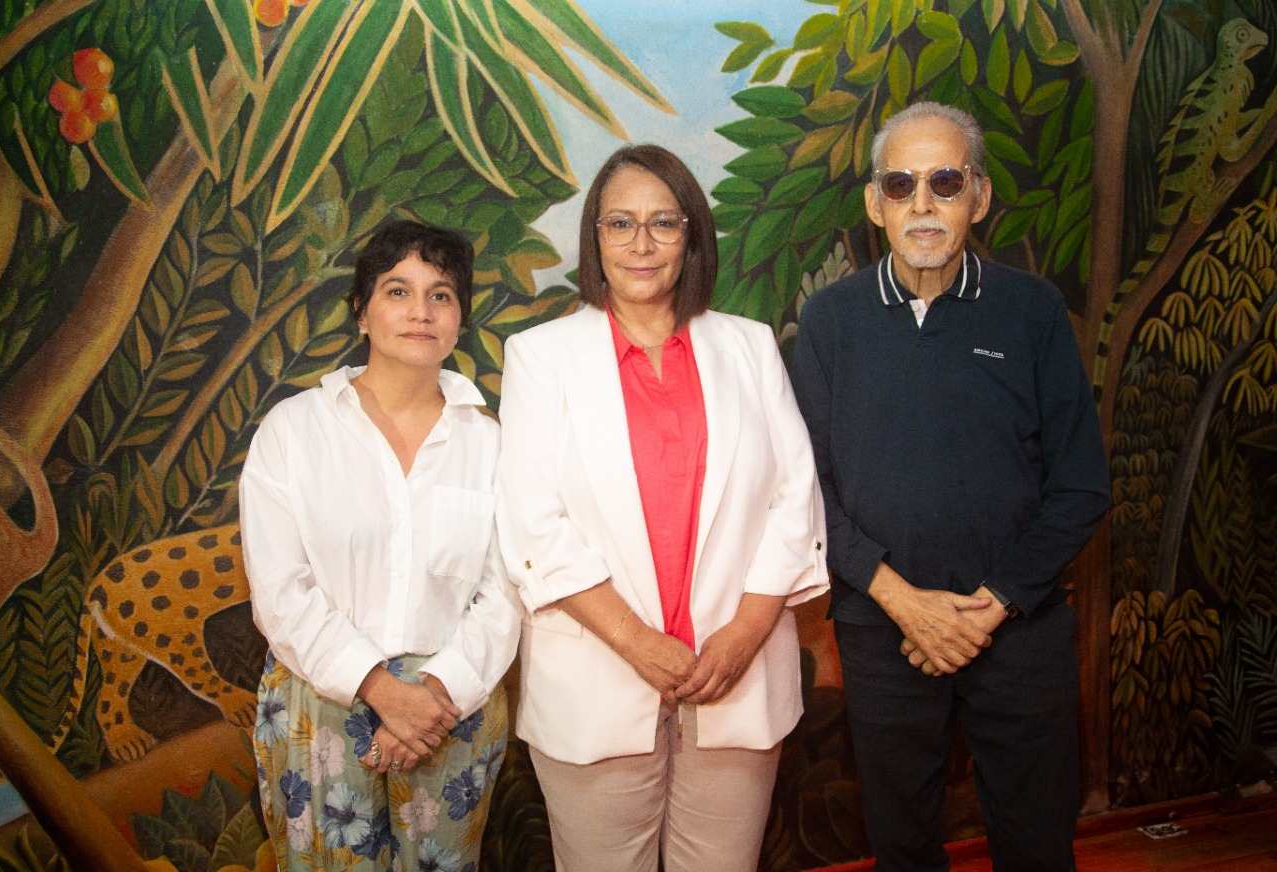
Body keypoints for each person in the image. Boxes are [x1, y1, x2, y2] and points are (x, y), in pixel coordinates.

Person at [792, 102, 1110, 872]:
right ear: (875, 202)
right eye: (901, 184)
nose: (923, 204)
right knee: (902, 850)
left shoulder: (1033, 311)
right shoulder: (829, 321)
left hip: (1020, 632)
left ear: (980, 195)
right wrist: (904, 602)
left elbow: (1081, 486)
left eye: (945, 181)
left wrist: (987, 607)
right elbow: (804, 491)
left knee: (1038, 846)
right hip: (882, 633)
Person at [495, 143, 827, 872]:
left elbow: (794, 499)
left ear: (692, 237)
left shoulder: (748, 347)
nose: (641, 244)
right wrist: (639, 644)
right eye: (620, 224)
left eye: (663, 223)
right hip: (596, 679)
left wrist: (743, 634)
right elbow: (531, 523)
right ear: (595, 240)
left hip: (734, 681)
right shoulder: (540, 358)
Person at [239, 220, 520, 871]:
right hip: (323, 704)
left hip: (454, 708)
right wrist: (380, 689)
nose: (421, 312)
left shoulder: (492, 441)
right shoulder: (294, 431)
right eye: (398, 291)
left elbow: (504, 591)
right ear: (362, 312)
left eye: (442, 294)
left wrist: (432, 695)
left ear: (460, 319)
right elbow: (281, 592)